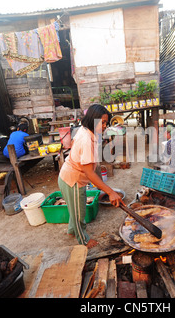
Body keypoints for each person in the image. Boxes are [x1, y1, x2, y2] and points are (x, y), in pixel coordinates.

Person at [58, 104, 124, 249]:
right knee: (79, 214)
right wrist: (110, 192)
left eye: (106, 122)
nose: (105, 126)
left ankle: (71, 231)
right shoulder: (86, 140)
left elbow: (92, 166)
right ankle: (83, 240)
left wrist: (104, 187)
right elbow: (89, 172)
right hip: (73, 180)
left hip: (70, 177)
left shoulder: (87, 130)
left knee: (74, 209)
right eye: (103, 122)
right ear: (93, 119)